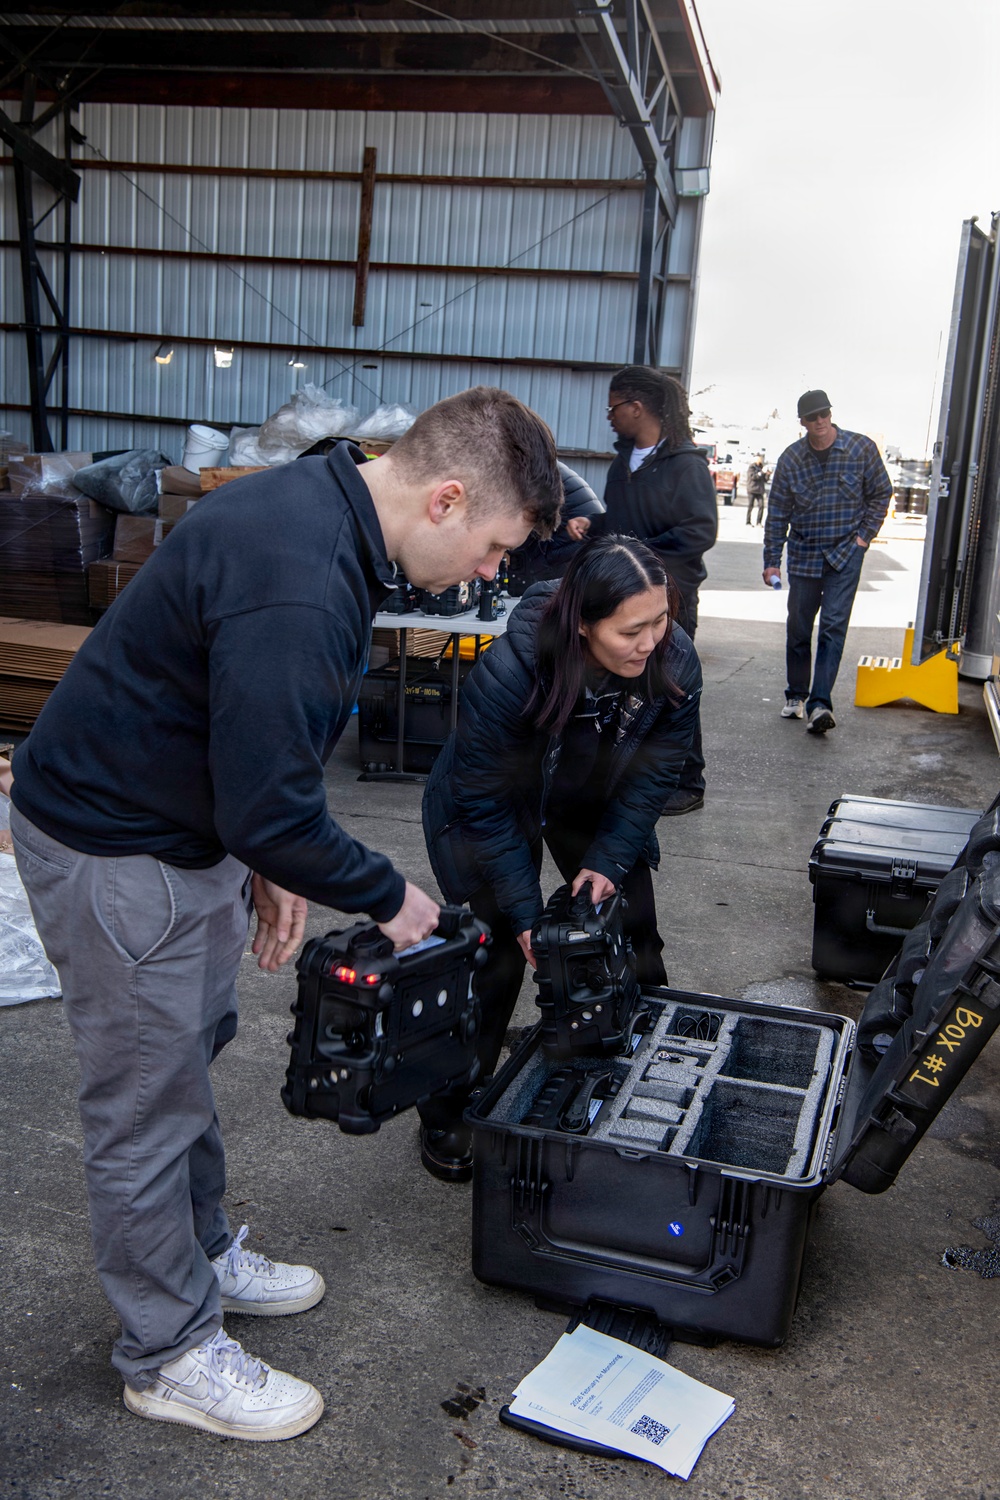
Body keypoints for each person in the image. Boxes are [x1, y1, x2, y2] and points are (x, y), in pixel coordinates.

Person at [8, 386, 562, 1442]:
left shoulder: (325, 498)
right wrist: (388, 896)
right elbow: (269, 798)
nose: (492, 575)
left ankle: (201, 1247)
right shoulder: (305, 583)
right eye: (495, 548)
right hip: (119, 846)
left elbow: (253, 750)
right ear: (446, 499)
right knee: (143, 1104)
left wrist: (270, 856)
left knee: (187, 1050)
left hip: (181, 820)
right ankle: (166, 1351)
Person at [418, 534, 702, 1182]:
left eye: (662, 619)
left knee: (628, 932)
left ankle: (620, 1071)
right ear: (583, 623)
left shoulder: (675, 660)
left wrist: (608, 858)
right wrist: (522, 912)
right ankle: (448, 1111)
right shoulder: (511, 670)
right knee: (491, 960)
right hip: (499, 804)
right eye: (633, 628)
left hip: (593, 796)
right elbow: (483, 806)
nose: (653, 640)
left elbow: (654, 777)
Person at [595, 365, 716, 815]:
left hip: (671, 597)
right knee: (625, 684)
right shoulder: (623, 464)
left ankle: (689, 780)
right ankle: (627, 775)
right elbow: (621, 522)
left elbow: (699, 532)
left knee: (673, 686)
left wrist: (643, 555)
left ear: (637, 407)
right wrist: (595, 526)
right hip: (621, 596)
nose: (609, 417)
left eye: (613, 408)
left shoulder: (685, 466)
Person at [762, 389, 893, 735]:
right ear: (802, 422)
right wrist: (772, 560)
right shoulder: (791, 459)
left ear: (831, 414)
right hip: (805, 553)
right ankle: (797, 694)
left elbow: (881, 492)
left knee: (833, 628)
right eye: (811, 417)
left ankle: (820, 704)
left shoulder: (860, 448)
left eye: (824, 414)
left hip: (845, 554)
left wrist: (864, 537)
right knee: (799, 629)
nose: (819, 421)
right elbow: (777, 512)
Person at [506, 461, 604, 591]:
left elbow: (520, 527)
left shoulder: (527, 471)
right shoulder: (542, 463)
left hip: (573, 539)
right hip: (587, 540)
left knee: (541, 592)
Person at [745, 454, 769, 527]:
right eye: (759, 459)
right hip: (752, 489)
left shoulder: (762, 467)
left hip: (760, 490)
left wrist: (767, 474)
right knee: (750, 506)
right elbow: (753, 477)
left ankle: (758, 522)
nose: (761, 460)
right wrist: (761, 472)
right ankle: (748, 522)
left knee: (761, 506)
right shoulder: (751, 467)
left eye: (761, 459)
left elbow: (764, 480)